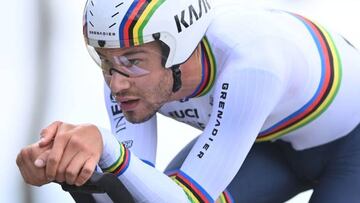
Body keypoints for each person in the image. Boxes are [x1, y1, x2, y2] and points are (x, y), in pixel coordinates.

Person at [16, 0, 360, 202]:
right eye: (105, 61)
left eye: (133, 61)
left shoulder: (252, 63)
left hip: (351, 149)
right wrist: (67, 169)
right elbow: (128, 190)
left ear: (179, 49)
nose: (116, 83)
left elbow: (186, 200)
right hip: (265, 144)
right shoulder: (127, 74)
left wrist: (106, 145)